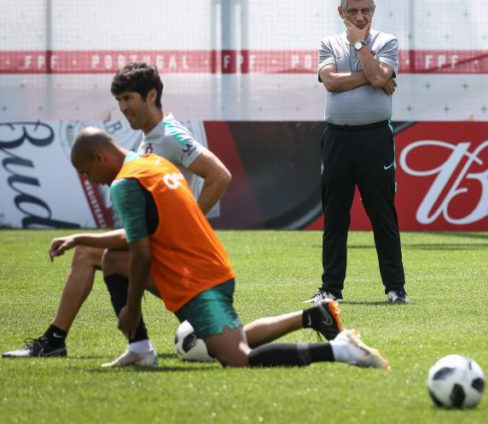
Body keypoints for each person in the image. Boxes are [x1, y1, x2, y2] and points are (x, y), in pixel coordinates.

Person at [68, 127, 389, 370]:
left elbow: (141, 252)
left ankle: (338, 350)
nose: (88, 179)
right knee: (111, 260)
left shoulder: (125, 184)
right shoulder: (151, 163)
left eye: (85, 172)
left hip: (196, 278)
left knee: (236, 357)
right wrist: (81, 240)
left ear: (101, 157)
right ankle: (139, 349)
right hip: (203, 265)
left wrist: (132, 307)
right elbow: (140, 239)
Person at [3, 63, 232, 366]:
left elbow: (220, 175)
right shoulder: (150, 138)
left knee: (87, 252)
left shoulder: (170, 134)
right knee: (97, 252)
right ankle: (133, 345)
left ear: (152, 96)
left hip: (179, 260)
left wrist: (190, 222)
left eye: (129, 98)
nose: (123, 107)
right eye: (119, 100)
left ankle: (58, 341)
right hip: (168, 252)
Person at [307, 0, 408, 304]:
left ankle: (395, 288)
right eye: (353, 11)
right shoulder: (329, 43)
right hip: (337, 138)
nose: (360, 16)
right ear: (342, 13)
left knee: (382, 214)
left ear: (373, 11)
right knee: (335, 216)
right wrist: (373, 73)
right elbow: (333, 83)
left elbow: (380, 76)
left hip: (375, 138)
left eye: (365, 10)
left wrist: (362, 46)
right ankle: (330, 289)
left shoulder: (387, 41)